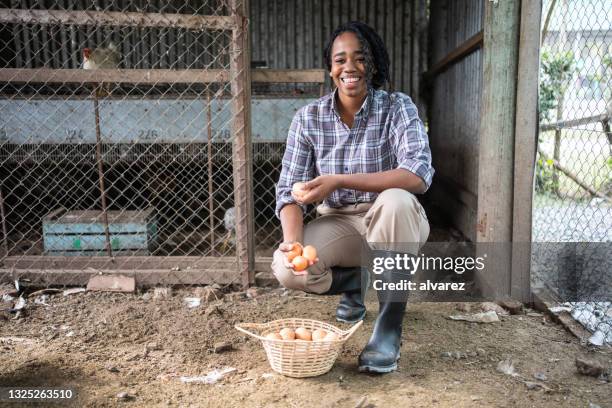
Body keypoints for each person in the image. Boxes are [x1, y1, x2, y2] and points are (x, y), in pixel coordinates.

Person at [272, 21, 433, 373]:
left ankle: (388, 328)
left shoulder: (396, 107)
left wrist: (338, 179)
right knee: (288, 271)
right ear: (330, 68)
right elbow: (288, 192)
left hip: (392, 219)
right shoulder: (308, 119)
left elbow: (417, 174)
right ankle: (362, 280)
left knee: (396, 201)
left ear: (372, 64)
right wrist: (293, 246)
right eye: (340, 59)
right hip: (341, 222)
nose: (350, 67)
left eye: (359, 58)